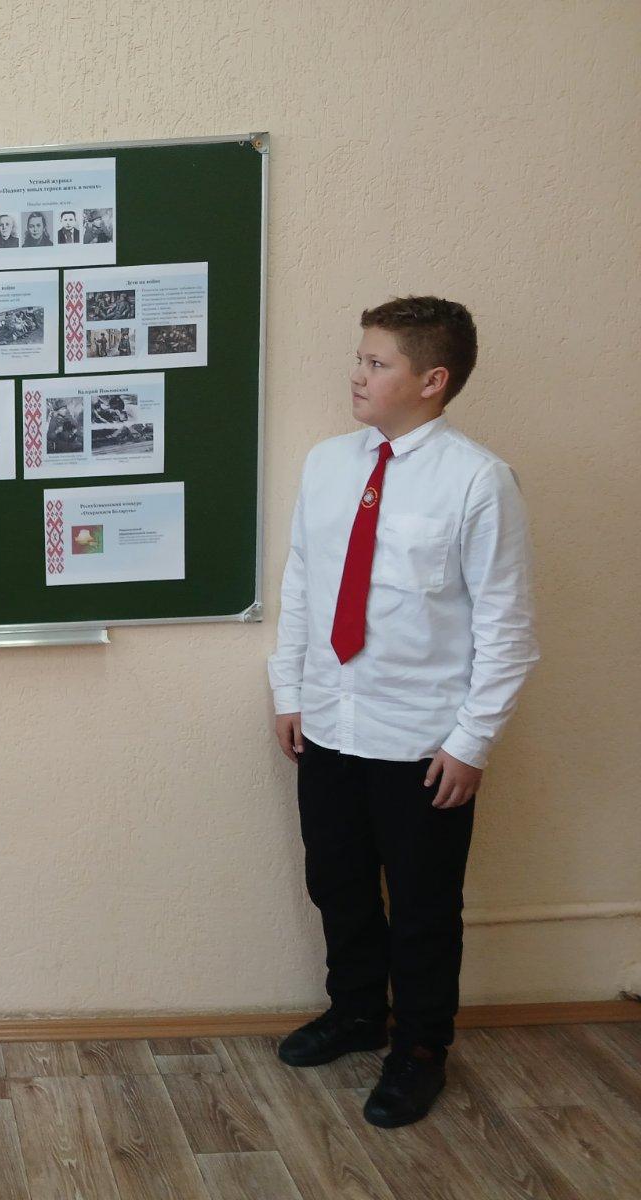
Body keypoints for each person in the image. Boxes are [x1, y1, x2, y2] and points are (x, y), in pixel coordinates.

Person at [267, 296, 537, 1128]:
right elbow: (304, 582)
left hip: (423, 742)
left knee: (422, 906)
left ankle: (419, 1050)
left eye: (376, 362)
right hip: (329, 724)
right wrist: (289, 691)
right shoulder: (328, 464)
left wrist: (472, 742)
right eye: (360, 357)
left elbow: (507, 628)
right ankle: (357, 1013)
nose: (357, 373)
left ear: (432, 379)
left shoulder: (478, 481)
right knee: (337, 882)